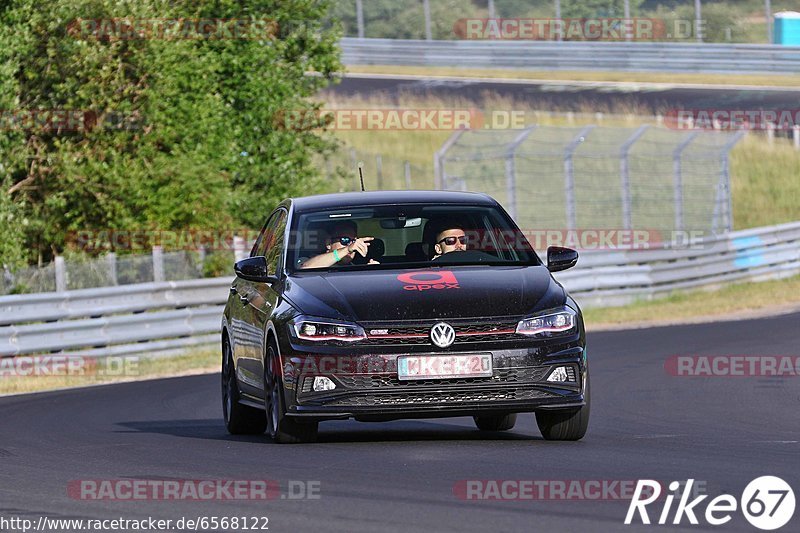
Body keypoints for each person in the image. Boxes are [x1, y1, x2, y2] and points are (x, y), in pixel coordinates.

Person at [298, 220, 379, 269]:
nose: (352, 245)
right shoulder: (306, 260)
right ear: (328, 243)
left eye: (354, 241)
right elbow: (306, 268)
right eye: (345, 240)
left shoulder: (354, 267)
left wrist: (370, 272)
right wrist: (346, 250)